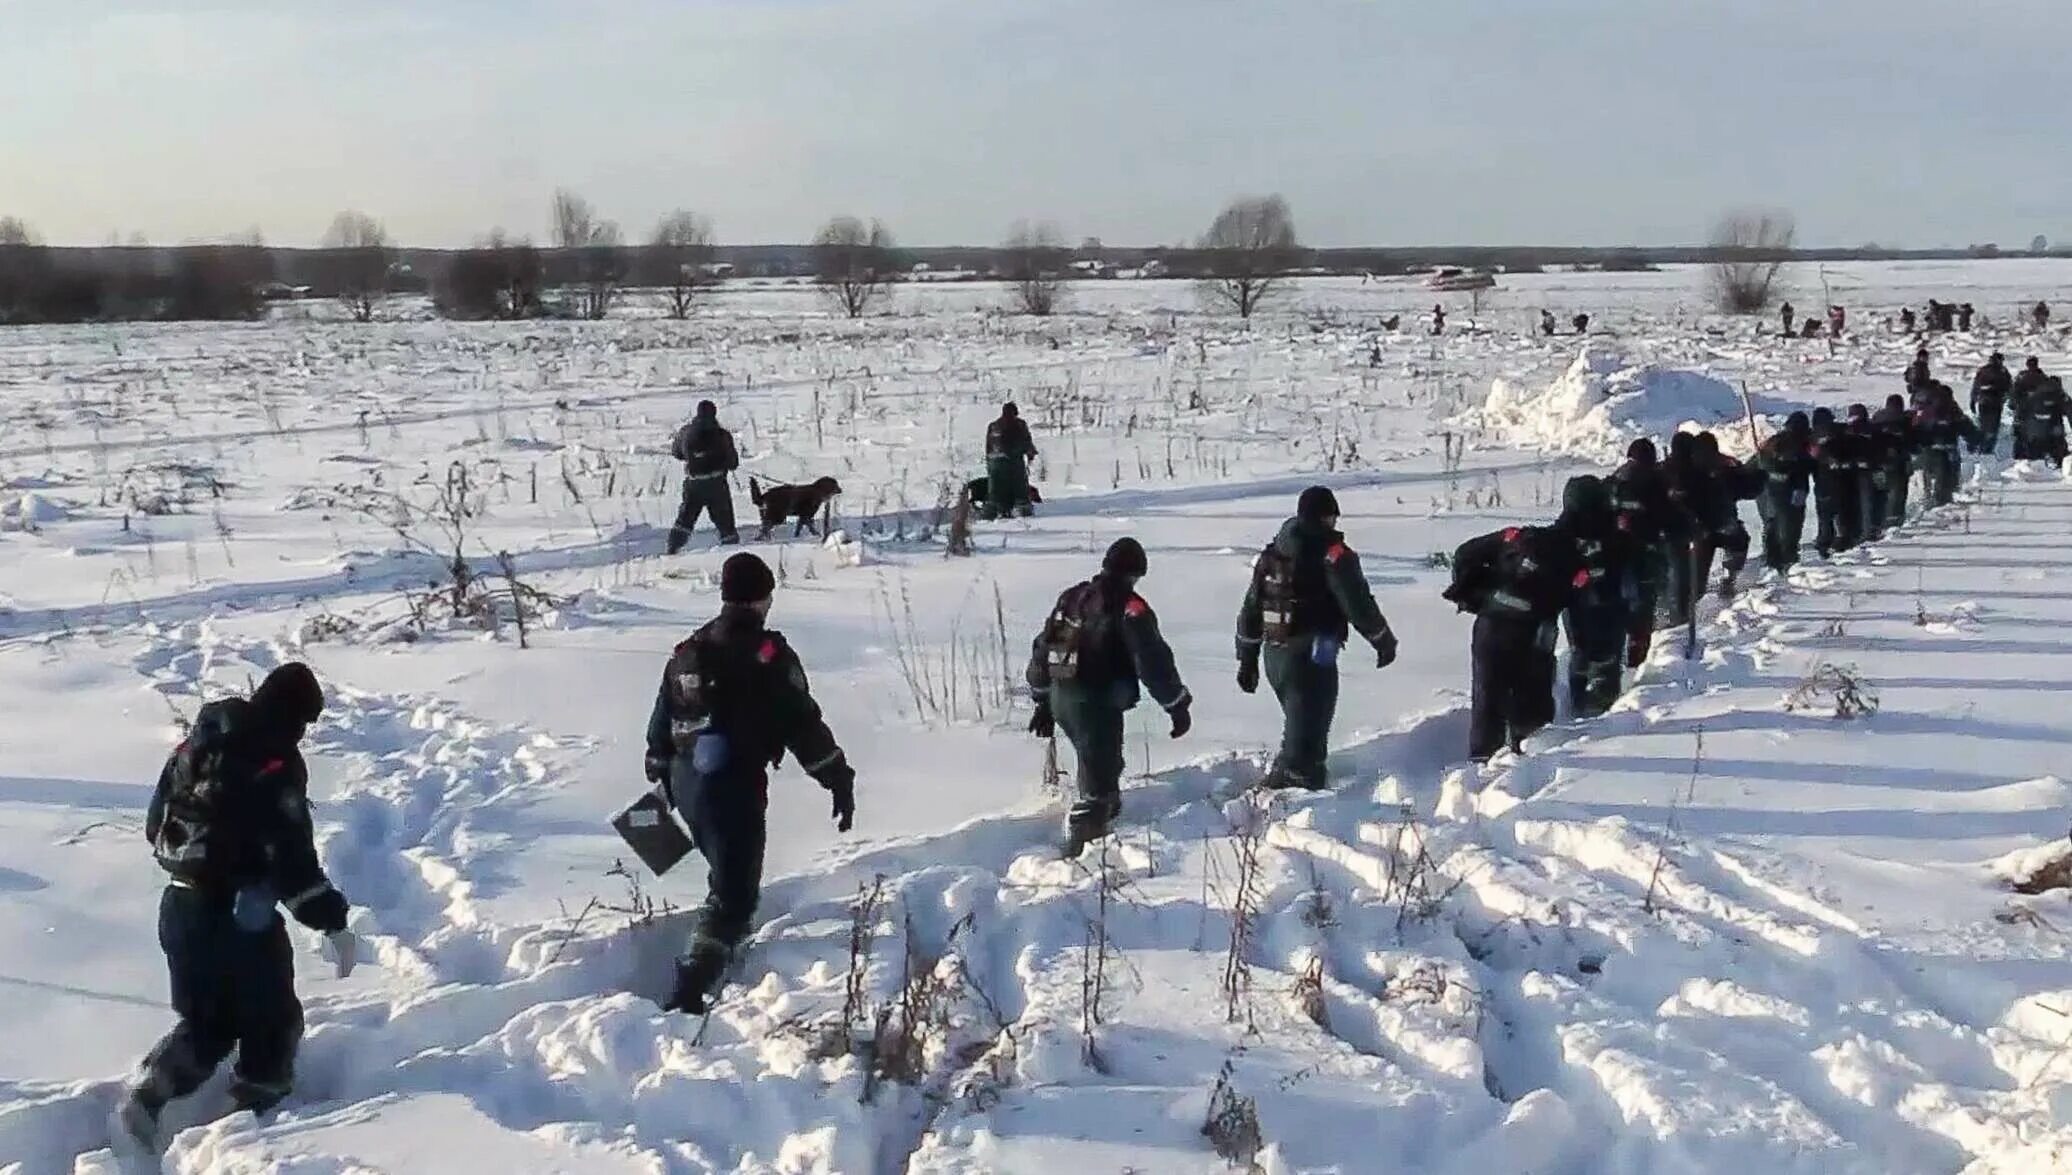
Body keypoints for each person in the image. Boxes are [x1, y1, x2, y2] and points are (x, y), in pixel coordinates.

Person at [117, 663, 355, 1145]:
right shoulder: (274, 762)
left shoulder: (198, 745)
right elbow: (292, 859)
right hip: (240, 917)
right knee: (274, 1018)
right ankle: (249, 1126)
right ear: (296, 716)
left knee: (209, 1021)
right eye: (305, 722)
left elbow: (154, 822)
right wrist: (331, 920)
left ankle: (149, 1093)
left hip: (179, 907)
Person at [644, 553, 855, 1013]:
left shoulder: (688, 651)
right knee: (734, 895)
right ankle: (689, 990)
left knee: (726, 878)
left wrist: (661, 775)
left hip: (685, 783)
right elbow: (803, 725)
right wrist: (837, 777)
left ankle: (714, 950)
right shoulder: (768, 656)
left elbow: (660, 725)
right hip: (731, 788)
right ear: (762, 598)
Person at [1029, 538, 1190, 856]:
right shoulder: (1130, 608)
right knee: (1097, 791)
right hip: (1094, 703)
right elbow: (1152, 660)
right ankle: (1081, 858)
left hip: (1062, 695)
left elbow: (1044, 644)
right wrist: (1176, 704)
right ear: (1135, 573)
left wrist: (1042, 700)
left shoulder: (1073, 597)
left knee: (1106, 767)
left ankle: (1102, 830)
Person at [1234, 487, 1398, 791]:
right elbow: (1357, 602)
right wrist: (1382, 639)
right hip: (1310, 657)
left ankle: (1280, 789)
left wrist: (1247, 658)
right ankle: (1291, 803)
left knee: (1300, 731)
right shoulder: (1332, 555)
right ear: (1327, 517)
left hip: (1274, 655)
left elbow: (1251, 607)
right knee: (1307, 742)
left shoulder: (1273, 553)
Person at [1445, 521, 1581, 761]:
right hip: (1536, 630)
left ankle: (1482, 760)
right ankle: (1528, 753)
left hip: (1492, 622)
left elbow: (1464, 553)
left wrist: (1470, 596)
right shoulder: (1575, 556)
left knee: (1488, 693)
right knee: (1533, 689)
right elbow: (1579, 599)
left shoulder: (1516, 538)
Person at [1556, 475, 1639, 719]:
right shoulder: (1611, 528)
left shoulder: (1562, 530)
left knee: (1581, 649)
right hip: (1607, 598)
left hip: (1577, 601)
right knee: (1606, 650)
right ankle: (1600, 703)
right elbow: (1628, 556)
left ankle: (1580, 701)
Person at [1608, 437, 1687, 666]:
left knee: (1621, 599)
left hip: (1615, 552)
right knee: (1646, 600)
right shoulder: (1655, 481)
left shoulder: (1614, 481)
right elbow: (1670, 515)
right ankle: (1640, 651)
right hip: (1647, 552)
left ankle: (1620, 649)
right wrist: (1687, 528)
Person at [1690, 431, 1758, 601]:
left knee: (1697, 574)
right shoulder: (1726, 464)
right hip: (1720, 524)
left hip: (1703, 528)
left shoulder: (1689, 466)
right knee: (1738, 543)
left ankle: (1691, 601)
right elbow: (1748, 490)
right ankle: (1728, 577)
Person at [666, 401, 741, 553]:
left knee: (685, 518)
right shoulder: (723, 435)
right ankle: (730, 550)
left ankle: (673, 547)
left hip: (693, 484)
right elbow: (733, 463)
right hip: (717, 484)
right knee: (725, 522)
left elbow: (676, 453)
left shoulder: (685, 432)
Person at [1754, 412, 1817, 573]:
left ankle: (1776, 559)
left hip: (1774, 490)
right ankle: (1782, 559)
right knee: (1786, 525)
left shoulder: (1776, 442)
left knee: (1775, 524)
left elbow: (1753, 464)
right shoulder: (1792, 443)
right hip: (1780, 490)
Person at [1911, 385, 1980, 507]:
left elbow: (1914, 429)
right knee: (1949, 480)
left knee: (1926, 477)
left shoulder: (1925, 411)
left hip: (1928, 450)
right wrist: (1974, 442)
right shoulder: (1953, 410)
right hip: (1949, 449)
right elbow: (1967, 428)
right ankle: (1944, 501)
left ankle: (1927, 499)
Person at [1807, 408, 1863, 557]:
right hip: (1845, 480)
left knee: (1825, 515)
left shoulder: (1811, 437)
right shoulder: (1841, 432)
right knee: (1844, 512)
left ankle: (1825, 545)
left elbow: (1809, 460)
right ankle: (1843, 541)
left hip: (1823, 481)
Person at [982, 403, 1039, 521]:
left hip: (994, 463)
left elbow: (988, 447)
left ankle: (993, 509)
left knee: (995, 490)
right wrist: (1030, 454)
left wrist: (989, 462)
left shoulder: (993, 425)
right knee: (1019, 485)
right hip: (1012, 462)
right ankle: (1021, 507)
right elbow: (1026, 442)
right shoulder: (1020, 424)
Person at [1869, 394, 1915, 533]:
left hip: (1878, 462)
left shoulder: (1877, 418)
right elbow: (1912, 440)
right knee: (1897, 495)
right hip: (1898, 462)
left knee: (1879, 495)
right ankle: (1893, 524)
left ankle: (1876, 525)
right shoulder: (1904, 419)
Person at [2017, 375, 2072, 468]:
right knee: (2059, 444)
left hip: (2034, 430)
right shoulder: (2060, 395)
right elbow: (2070, 411)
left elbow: (2023, 410)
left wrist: (2023, 426)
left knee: (2033, 447)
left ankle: (2032, 464)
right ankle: (2060, 464)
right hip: (2054, 428)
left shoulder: (2036, 394)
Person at [1972, 353, 2013, 455]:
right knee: (1993, 427)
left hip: (1983, 402)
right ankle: (1988, 449)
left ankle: (1981, 446)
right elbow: (2009, 387)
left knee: (1983, 425)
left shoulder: (1982, 370)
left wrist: (1973, 400)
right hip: (1995, 402)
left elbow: (1975, 386)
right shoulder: (2003, 371)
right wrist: (2009, 400)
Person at [2011, 358, 2048, 460]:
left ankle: (2020, 457)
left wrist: (2014, 405)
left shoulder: (2021, 377)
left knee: (2021, 436)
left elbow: (2013, 395)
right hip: (2037, 413)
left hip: (2023, 412)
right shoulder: (2043, 378)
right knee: (2037, 437)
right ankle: (2036, 457)